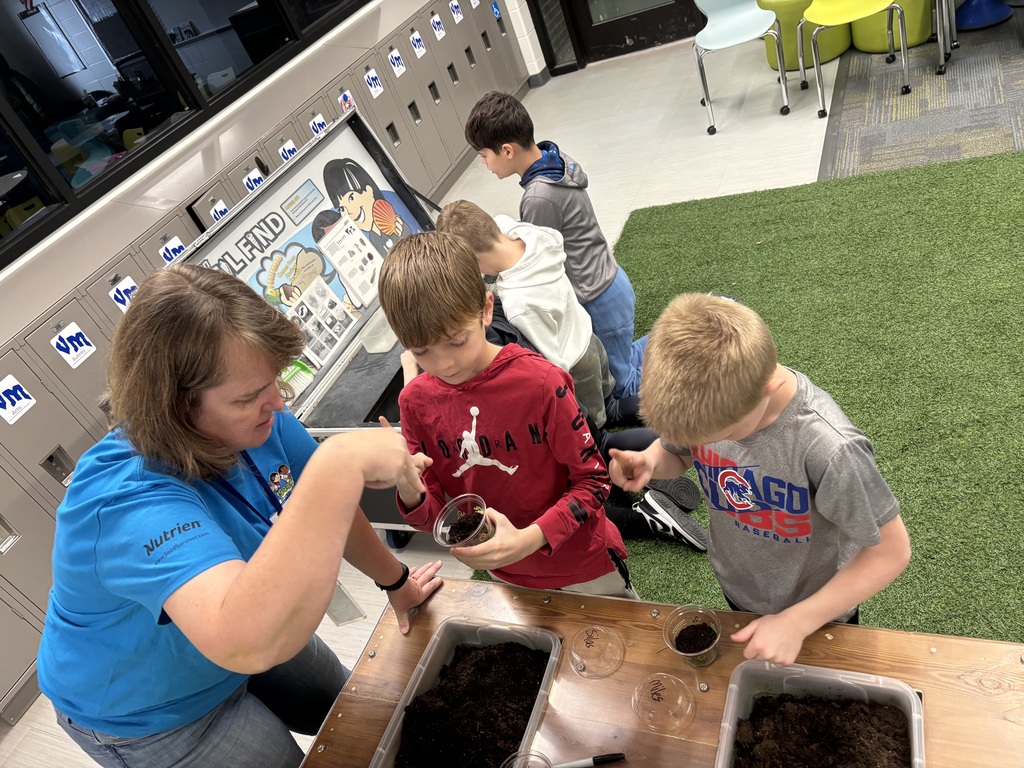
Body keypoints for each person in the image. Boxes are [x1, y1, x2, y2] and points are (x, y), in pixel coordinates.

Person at [36, 264, 443, 768]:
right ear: (175, 406)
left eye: (273, 382)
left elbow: (329, 507)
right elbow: (247, 642)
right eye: (249, 397)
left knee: (359, 716)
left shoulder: (260, 421)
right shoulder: (125, 501)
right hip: (154, 709)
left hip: (239, 628)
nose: (276, 404)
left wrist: (396, 581)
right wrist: (342, 462)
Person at [609, 293, 912, 666]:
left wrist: (798, 622)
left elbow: (891, 551)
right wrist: (652, 460)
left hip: (817, 610)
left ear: (766, 387)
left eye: (722, 435)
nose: (703, 445)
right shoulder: (711, 407)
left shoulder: (829, 448)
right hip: (742, 587)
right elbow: (678, 453)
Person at [378, 231, 638, 597]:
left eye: (457, 340)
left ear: (486, 309)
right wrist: (408, 486)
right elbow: (434, 516)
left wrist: (530, 539)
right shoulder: (415, 403)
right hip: (505, 572)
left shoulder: (542, 383)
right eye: (422, 351)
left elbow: (594, 482)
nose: (445, 362)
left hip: (582, 565)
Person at [464, 91, 645, 417]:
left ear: (507, 150)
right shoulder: (552, 158)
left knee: (624, 386)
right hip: (608, 282)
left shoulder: (538, 198)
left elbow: (534, 267)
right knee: (622, 363)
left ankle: (684, 343)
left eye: (484, 155)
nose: (483, 164)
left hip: (598, 296)